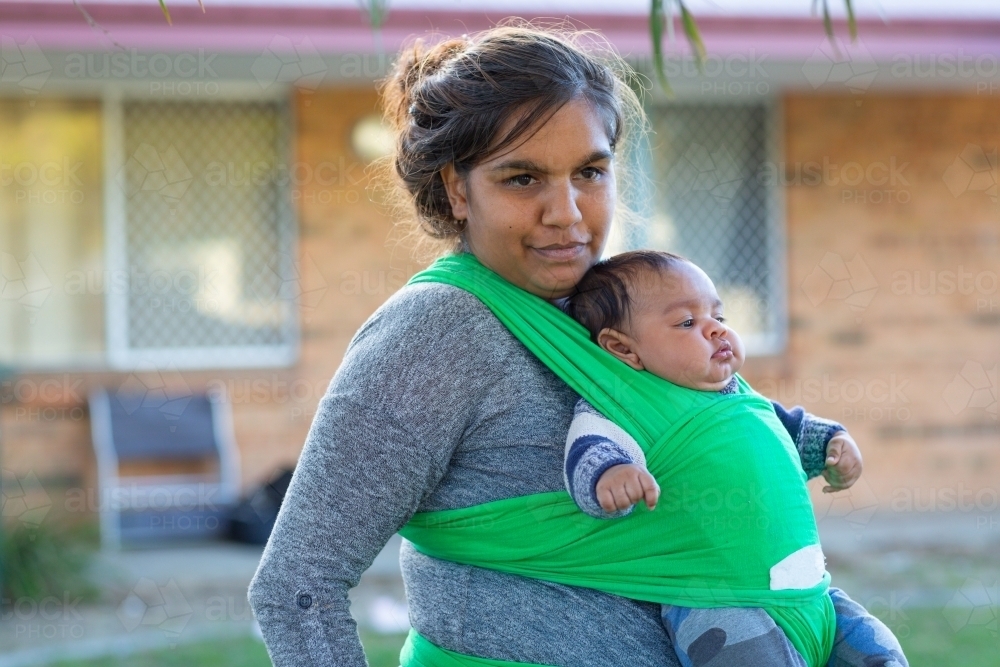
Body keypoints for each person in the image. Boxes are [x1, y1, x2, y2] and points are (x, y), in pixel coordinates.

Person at [248, 23, 901, 666]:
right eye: (522, 178)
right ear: (457, 188)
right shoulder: (438, 334)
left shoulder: (623, 311)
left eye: (589, 172)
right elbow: (297, 584)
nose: (566, 213)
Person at [561, 249, 907, 667]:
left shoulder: (741, 396)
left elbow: (787, 426)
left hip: (811, 592)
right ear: (623, 349)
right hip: (717, 598)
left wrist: (832, 442)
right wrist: (610, 474)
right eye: (687, 323)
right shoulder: (623, 404)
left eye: (718, 318)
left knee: (881, 651)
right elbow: (590, 447)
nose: (715, 331)